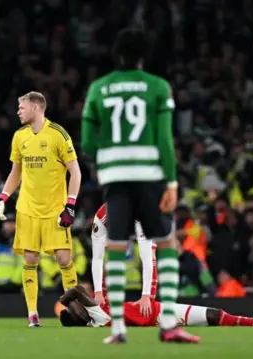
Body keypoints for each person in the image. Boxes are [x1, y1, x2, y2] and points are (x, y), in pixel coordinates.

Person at [80, 28, 192, 343]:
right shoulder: (157, 87)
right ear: (143, 57)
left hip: (115, 176)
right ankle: (168, 324)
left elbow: (87, 142)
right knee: (166, 242)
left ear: (116, 56)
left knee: (116, 244)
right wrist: (170, 181)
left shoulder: (99, 89)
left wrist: (110, 160)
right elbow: (165, 141)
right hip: (147, 173)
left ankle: (117, 329)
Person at [0, 91, 82, 327]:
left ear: (36, 107)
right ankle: (32, 314)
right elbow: (16, 172)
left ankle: (74, 309)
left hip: (54, 210)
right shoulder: (19, 136)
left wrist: (70, 204)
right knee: (30, 259)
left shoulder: (58, 135)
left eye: (21, 107)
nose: (18, 111)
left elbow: (76, 172)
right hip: (27, 209)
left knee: (64, 259)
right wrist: (3, 196)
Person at [58, 285, 253, 328]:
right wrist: (63, 302)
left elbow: (79, 295)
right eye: (74, 310)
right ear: (79, 318)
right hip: (160, 316)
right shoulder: (97, 318)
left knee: (216, 314)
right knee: (216, 315)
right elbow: (77, 290)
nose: (76, 305)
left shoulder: (96, 314)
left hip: (161, 309)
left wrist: (70, 306)